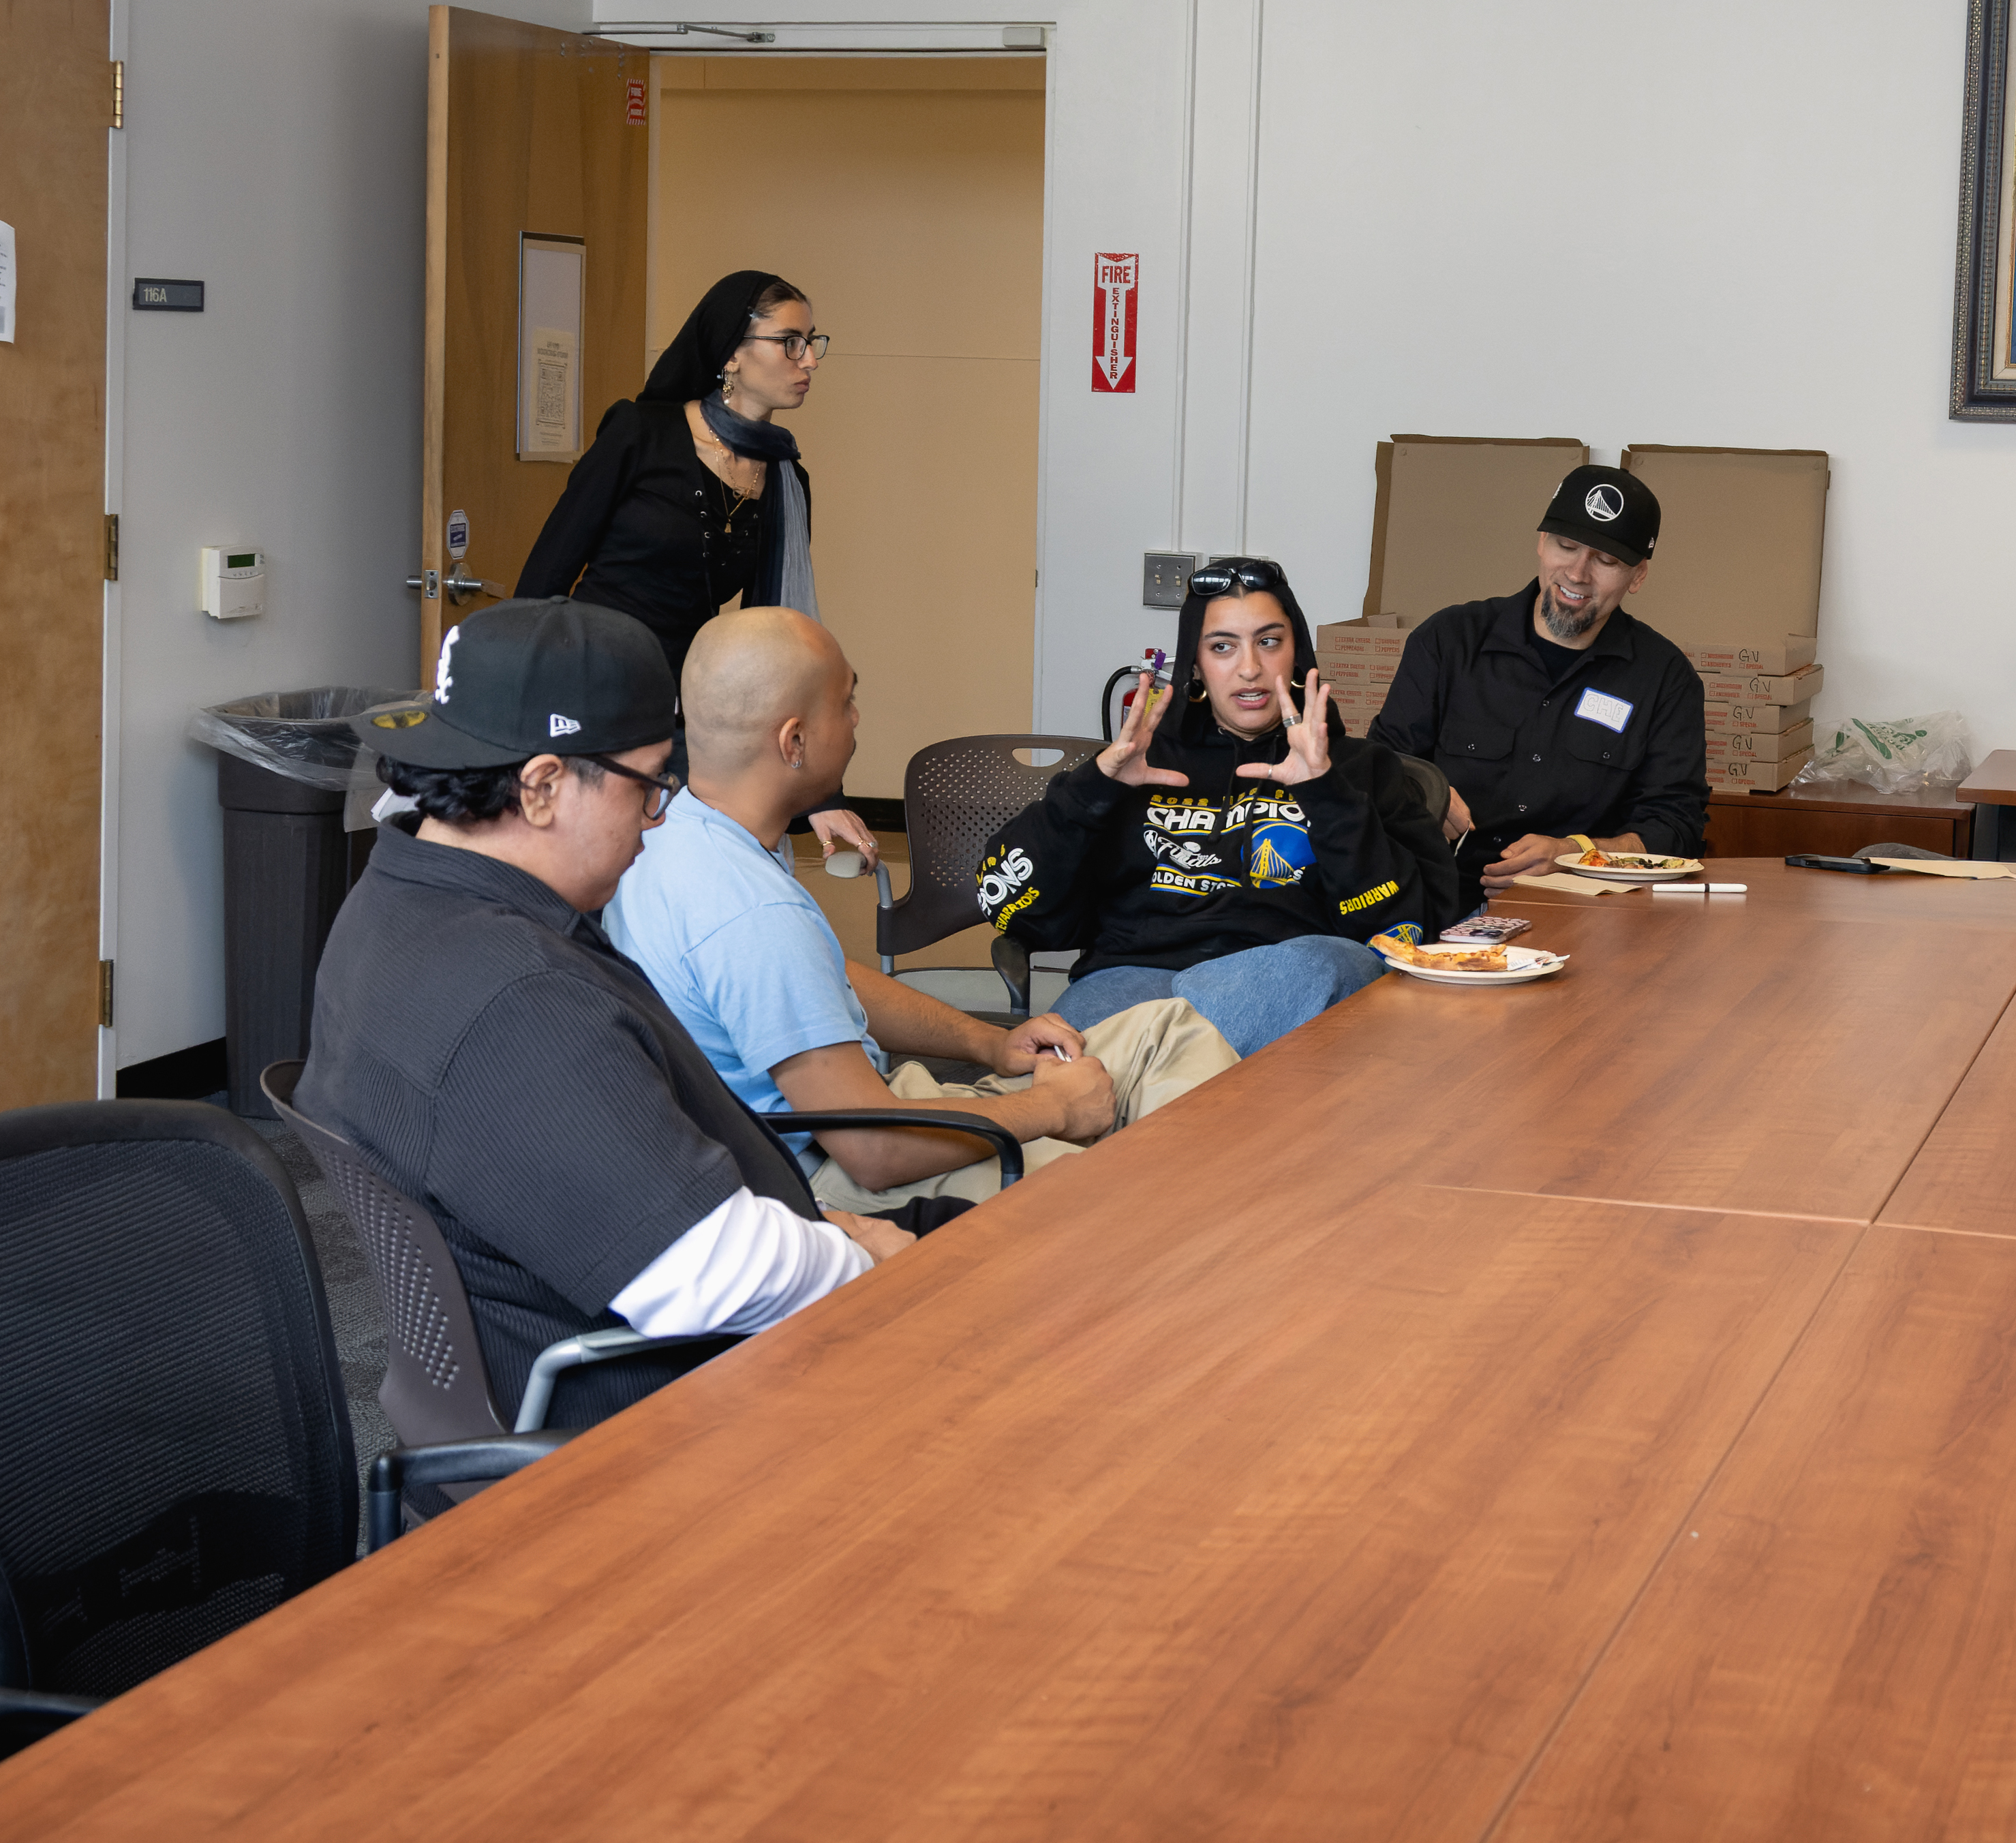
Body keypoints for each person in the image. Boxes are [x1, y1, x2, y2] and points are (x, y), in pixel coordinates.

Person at [300, 599, 912, 1428]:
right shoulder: (510, 998)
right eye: (650, 784)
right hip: (674, 1407)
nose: (657, 821)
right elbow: (707, 1275)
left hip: (598, 1325)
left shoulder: (395, 897)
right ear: (544, 785)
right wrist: (855, 1254)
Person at [607, 607, 1240, 1211]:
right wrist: (1055, 1112)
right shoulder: (748, 910)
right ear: (794, 741)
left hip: (867, 1111)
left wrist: (994, 1045)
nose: (857, 720)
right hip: (832, 1175)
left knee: (1167, 1030)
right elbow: (873, 1150)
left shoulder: (680, 831)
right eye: (846, 701)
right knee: (1143, 1191)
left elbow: (822, 977)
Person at [975, 557, 1467, 1056]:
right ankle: (1168, 1084)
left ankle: (1153, 1085)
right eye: (1223, 646)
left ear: (1297, 654)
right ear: (1195, 664)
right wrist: (1092, 789)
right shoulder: (1134, 767)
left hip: (1285, 998)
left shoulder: (1363, 769)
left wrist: (1325, 791)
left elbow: (1410, 933)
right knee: (1089, 1047)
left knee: (1323, 964)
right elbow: (1005, 901)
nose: (1249, 667)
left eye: (1269, 641)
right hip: (1133, 988)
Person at [1371, 464, 1710, 887]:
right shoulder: (1448, 641)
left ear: (1638, 575)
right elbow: (1378, 766)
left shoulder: (1666, 679)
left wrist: (1578, 854)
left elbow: (1677, 829)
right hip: (1437, 900)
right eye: (1566, 546)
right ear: (1542, 543)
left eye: (1606, 560)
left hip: (1582, 911)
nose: (1577, 574)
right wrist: (1422, 794)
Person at [519, 269, 834, 680]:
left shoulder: (787, 482)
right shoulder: (640, 433)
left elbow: (762, 633)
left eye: (811, 343)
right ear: (731, 353)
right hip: (583, 677)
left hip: (685, 700)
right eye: (790, 342)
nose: (809, 359)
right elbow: (547, 573)